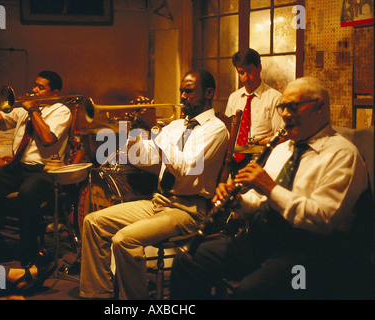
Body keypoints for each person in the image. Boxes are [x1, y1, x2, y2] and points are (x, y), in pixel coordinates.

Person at [169, 77, 370, 299]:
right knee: (187, 262)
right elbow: (258, 200)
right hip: (264, 242)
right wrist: (239, 202)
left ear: (320, 107)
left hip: (310, 254)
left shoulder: (343, 154)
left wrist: (271, 188)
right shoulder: (281, 150)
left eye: (293, 106)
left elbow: (323, 220)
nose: (284, 114)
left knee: (249, 293)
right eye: (282, 107)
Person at [80, 69, 229, 300]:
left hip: (188, 210)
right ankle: (98, 295)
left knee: (123, 240)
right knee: (93, 222)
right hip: (159, 201)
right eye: (181, 91)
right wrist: (134, 129)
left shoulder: (216, 129)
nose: (182, 96)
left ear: (208, 93)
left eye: (189, 91)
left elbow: (187, 168)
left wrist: (154, 129)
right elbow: (140, 157)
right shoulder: (176, 126)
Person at [0, 71, 72, 266]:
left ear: (54, 92)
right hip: (19, 167)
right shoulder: (23, 110)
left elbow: (48, 139)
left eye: (41, 87)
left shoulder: (61, 111)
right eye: (35, 84)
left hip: (46, 170)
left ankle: (30, 256)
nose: (34, 89)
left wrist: (33, 111)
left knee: (27, 193)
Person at [225, 48, 284, 168]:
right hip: (234, 159)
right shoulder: (234, 97)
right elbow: (227, 132)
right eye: (241, 73)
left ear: (259, 68)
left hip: (263, 160)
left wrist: (263, 142)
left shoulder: (275, 98)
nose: (246, 77)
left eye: (249, 71)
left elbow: (281, 137)